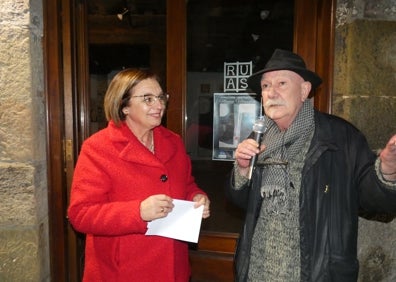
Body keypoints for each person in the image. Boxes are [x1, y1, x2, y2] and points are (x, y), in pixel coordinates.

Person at [225, 49, 396, 281]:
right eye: (265, 86)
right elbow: (244, 204)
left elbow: (373, 201)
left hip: (315, 274)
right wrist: (243, 170)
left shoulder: (339, 137)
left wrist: (386, 170)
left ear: (304, 90)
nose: (270, 93)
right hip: (258, 271)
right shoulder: (259, 137)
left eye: (281, 83)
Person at [68, 68, 210, 282]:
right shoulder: (98, 148)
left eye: (161, 97)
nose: (159, 105)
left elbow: (187, 185)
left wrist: (197, 198)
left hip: (172, 268)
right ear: (124, 106)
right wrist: (137, 212)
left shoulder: (174, 142)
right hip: (122, 272)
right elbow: (81, 214)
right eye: (148, 99)